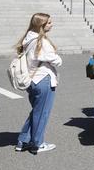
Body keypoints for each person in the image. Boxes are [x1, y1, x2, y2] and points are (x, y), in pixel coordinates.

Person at [15, 13, 62, 154]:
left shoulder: (28, 38)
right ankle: (38, 143)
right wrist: (57, 58)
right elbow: (57, 61)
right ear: (41, 25)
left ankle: (23, 141)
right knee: (42, 113)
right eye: (48, 23)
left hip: (32, 79)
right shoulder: (41, 41)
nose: (51, 24)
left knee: (37, 111)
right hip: (43, 79)